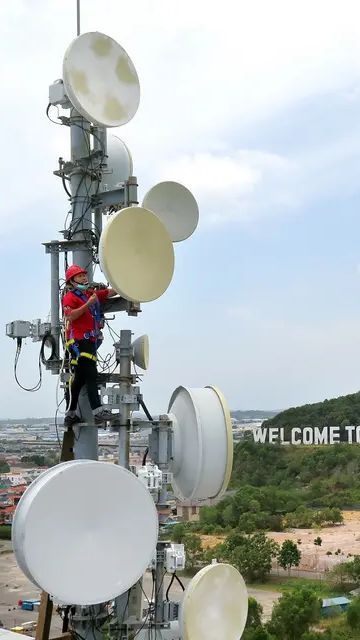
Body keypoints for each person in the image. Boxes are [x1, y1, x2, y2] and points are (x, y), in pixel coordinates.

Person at [62, 264, 118, 427]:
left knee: (79, 379)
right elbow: (70, 316)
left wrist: (124, 284)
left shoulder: (89, 294)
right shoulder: (70, 297)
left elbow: (109, 292)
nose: (84, 278)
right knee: (91, 374)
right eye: (79, 276)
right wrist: (89, 304)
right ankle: (98, 412)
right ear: (71, 282)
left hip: (89, 341)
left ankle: (71, 414)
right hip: (80, 342)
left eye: (84, 275)